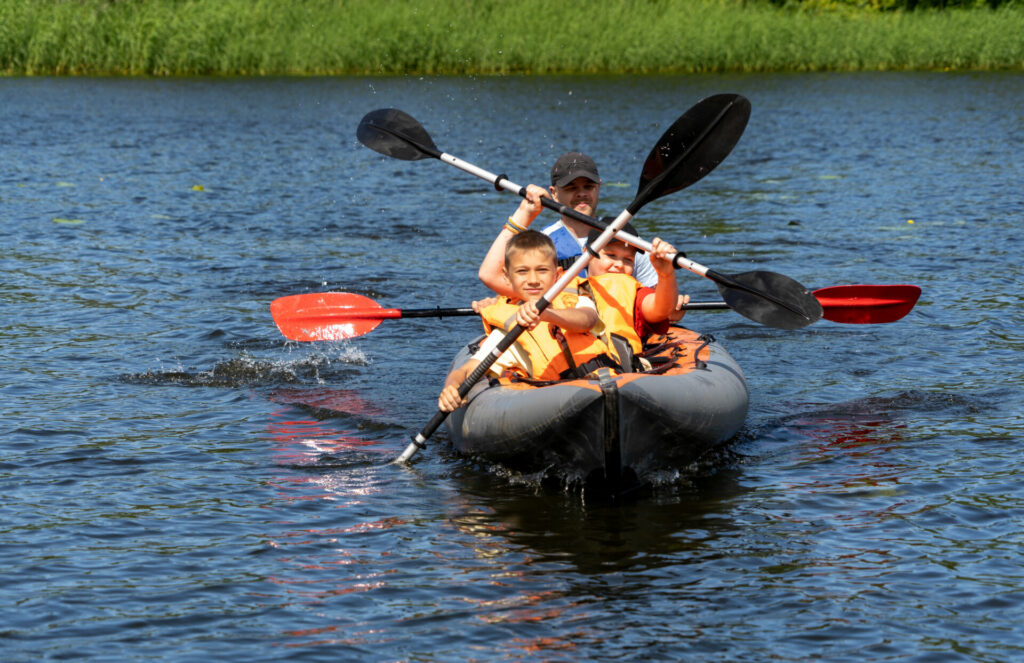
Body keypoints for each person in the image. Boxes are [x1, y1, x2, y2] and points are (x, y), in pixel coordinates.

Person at [439, 230, 621, 412]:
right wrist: (451, 387)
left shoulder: (574, 299)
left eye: (542, 270)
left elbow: (587, 320)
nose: (533, 280)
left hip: (604, 382)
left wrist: (548, 315)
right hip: (554, 404)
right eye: (522, 271)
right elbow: (467, 370)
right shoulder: (509, 329)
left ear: (557, 275)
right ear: (507, 277)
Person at [477, 152, 660, 298]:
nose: (581, 194)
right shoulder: (542, 243)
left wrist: (671, 297)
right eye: (571, 188)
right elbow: (493, 277)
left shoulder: (627, 240)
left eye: (588, 187)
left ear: (598, 187)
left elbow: (659, 302)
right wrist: (525, 213)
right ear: (554, 193)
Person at [583, 225, 691, 364]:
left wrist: (666, 275)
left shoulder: (634, 293)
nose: (619, 264)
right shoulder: (565, 286)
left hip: (618, 374)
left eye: (628, 259)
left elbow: (659, 310)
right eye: (611, 255)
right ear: (587, 254)